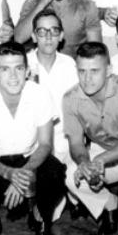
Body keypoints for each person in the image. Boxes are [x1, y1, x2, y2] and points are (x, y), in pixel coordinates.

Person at [0, 42, 66, 235]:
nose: (13, 76)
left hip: (30, 158)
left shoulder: (40, 94)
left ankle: (39, 217)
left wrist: (23, 174)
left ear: (27, 71)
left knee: (55, 172)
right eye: (5, 69)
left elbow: (45, 144)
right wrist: (9, 174)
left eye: (19, 68)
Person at [62, 42, 118, 235]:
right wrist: (84, 163)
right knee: (70, 173)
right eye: (82, 71)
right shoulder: (70, 98)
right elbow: (75, 143)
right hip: (102, 149)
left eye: (94, 71)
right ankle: (110, 204)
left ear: (108, 70)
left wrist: (100, 160)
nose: (87, 79)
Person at [26, 9, 79, 163]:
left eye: (54, 31)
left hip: (67, 140)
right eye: (42, 31)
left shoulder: (69, 64)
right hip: (33, 142)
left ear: (61, 36)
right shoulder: (24, 65)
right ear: (34, 37)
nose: (48, 37)